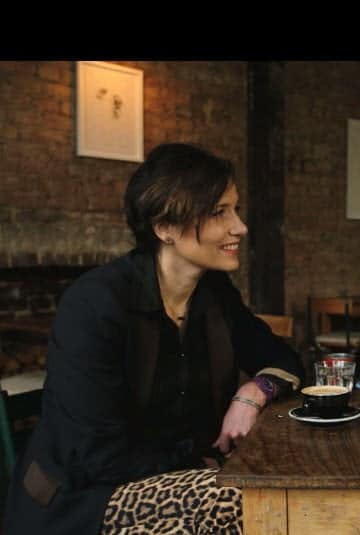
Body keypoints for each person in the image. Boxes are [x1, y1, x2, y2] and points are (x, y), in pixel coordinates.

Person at [3, 143, 304, 534]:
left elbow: (284, 358)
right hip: (83, 502)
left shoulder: (214, 293)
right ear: (165, 228)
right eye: (219, 213)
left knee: (285, 483)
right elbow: (97, 456)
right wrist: (202, 462)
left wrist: (253, 393)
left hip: (180, 475)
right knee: (245, 499)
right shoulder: (96, 303)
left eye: (236, 209)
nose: (240, 227)